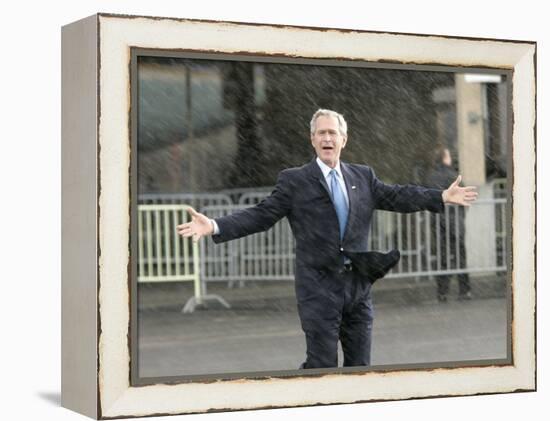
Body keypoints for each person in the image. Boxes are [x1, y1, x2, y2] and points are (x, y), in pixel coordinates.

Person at [177, 109, 478, 369]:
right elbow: (262, 214)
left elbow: (398, 195)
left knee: (360, 367)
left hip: (357, 288)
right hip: (318, 289)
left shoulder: (362, 176)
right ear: (312, 139)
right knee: (321, 367)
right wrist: (215, 225)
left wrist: (440, 196)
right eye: (321, 133)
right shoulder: (294, 180)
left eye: (332, 133)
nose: (327, 139)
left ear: (344, 139)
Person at [426, 147, 472, 302]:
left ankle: (442, 292)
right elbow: (465, 195)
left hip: (438, 220)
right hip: (455, 221)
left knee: (442, 256)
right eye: (448, 155)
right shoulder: (453, 176)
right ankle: (464, 291)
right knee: (460, 255)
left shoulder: (431, 177)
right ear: (445, 158)